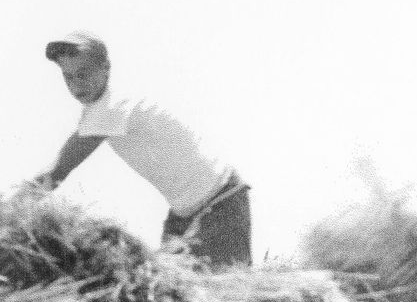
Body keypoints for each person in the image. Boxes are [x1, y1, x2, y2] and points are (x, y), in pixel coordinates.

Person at [28, 32, 253, 266]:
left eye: (83, 74)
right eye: (68, 77)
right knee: (163, 281)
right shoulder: (99, 109)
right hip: (186, 212)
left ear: (105, 68)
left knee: (208, 284)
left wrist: (13, 208)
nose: (76, 85)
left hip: (220, 203)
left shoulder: (113, 105)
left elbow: (58, 170)